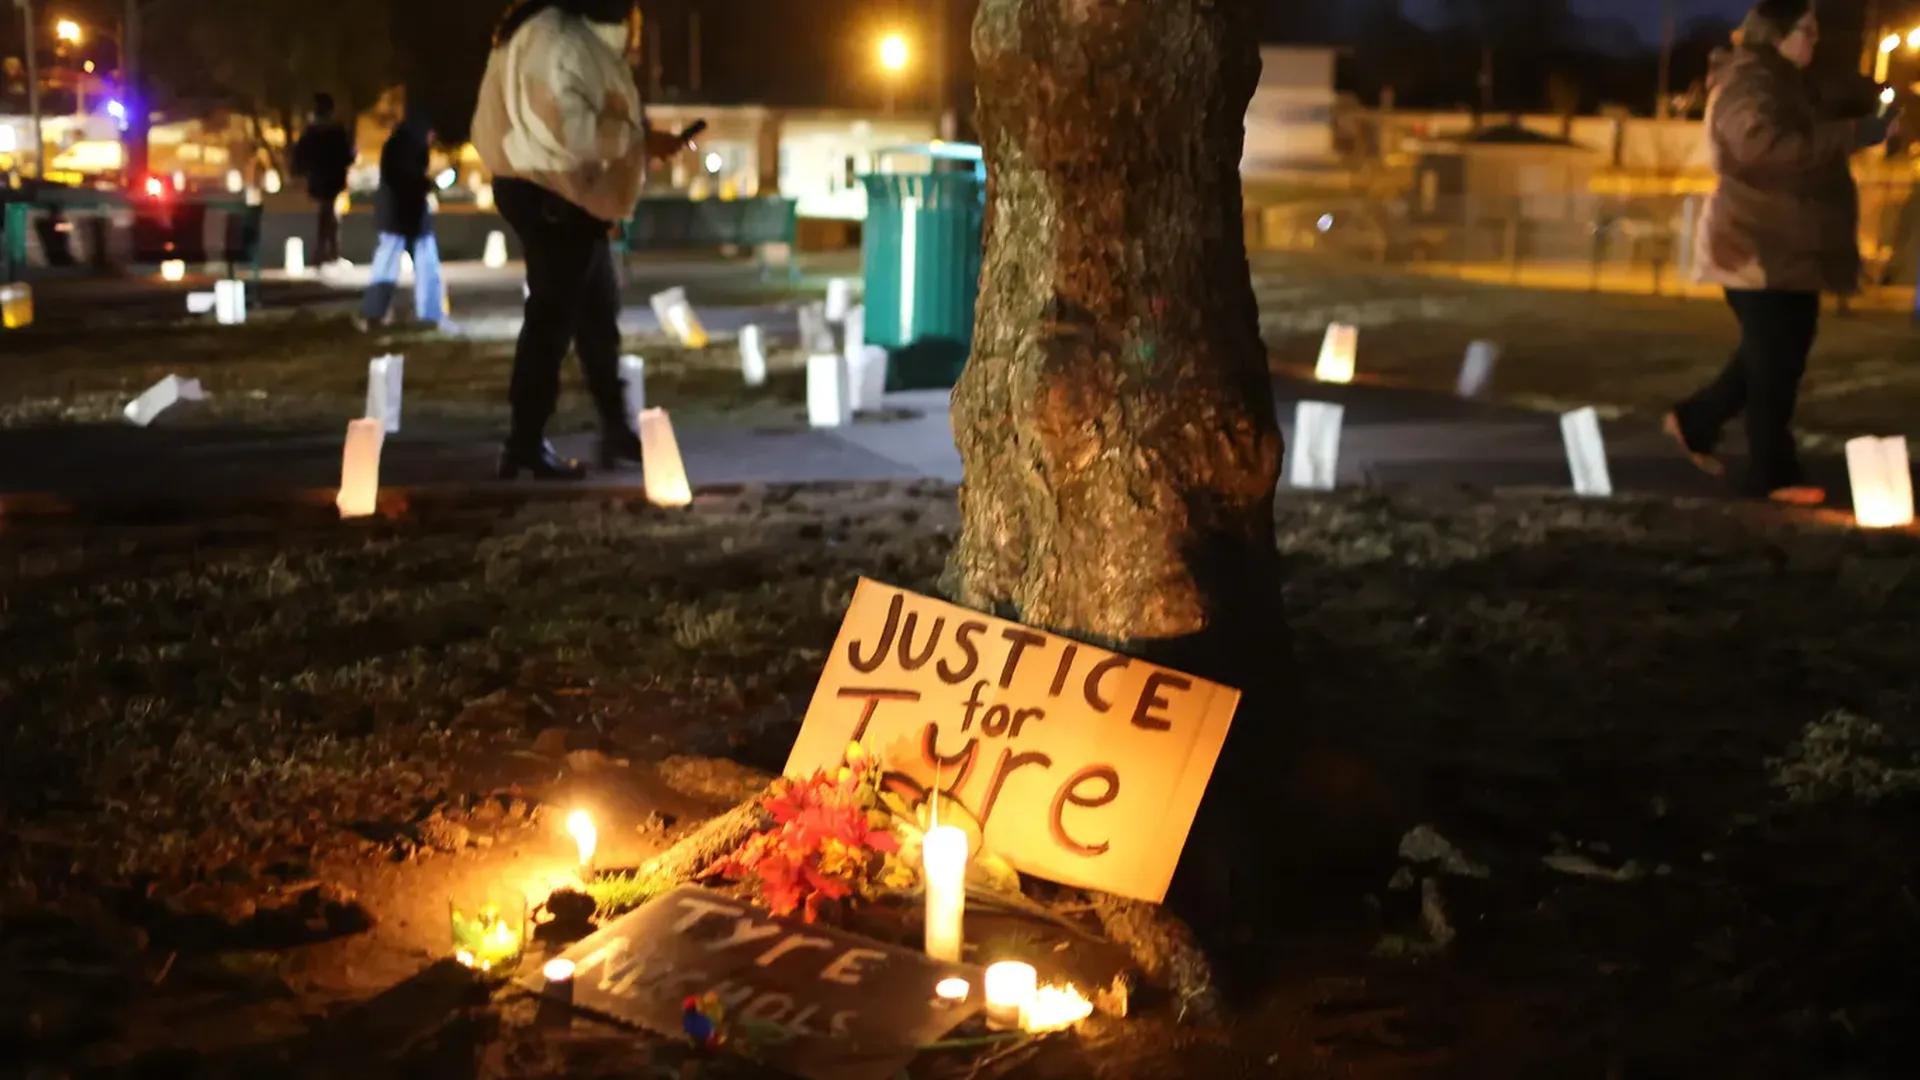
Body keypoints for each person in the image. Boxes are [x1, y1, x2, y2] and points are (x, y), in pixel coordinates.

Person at [1666, 0, 1895, 505]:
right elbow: (1762, 149)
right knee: (1775, 364)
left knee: (1770, 356)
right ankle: (1774, 472)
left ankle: (1694, 421)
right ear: (1777, 34)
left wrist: (1883, 109)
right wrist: (1853, 134)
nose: (1815, 38)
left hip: (1788, 249)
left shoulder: (1793, 81)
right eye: (1806, 30)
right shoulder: (1749, 83)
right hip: (1755, 247)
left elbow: (1850, 101)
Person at [470, 0, 689, 480]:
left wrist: (639, 139)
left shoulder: (542, 32)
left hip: (554, 193)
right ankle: (524, 442)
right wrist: (638, 142)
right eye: (633, 12)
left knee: (594, 312)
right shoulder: (561, 41)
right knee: (554, 319)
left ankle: (611, 429)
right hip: (554, 194)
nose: (635, 23)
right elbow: (571, 127)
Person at [359, 107, 447, 330]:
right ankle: (429, 313)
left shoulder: (399, 143)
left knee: (388, 263)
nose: (432, 138)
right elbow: (409, 179)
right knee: (422, 265)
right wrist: (430, 185)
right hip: (404, 212)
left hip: (398, 213)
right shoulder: (410, 147)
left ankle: (375, 314)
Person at [290, 93, 356, 267]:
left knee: (327, 212)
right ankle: (327, 252)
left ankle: (326, 252)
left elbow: (300, 156)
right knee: (329, 212)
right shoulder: (336, 131)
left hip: (319, 178)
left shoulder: (311, 132)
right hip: (333, 178)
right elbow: (347, 155)